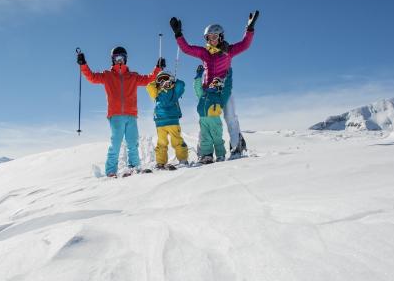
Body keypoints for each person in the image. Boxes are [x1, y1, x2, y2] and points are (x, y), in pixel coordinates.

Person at [169, 11, 259, 158]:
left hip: (224, 90)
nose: (212, 40)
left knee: (230, 116)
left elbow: (245, 44)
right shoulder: (205, 53)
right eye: (208, 38)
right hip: (208, 92)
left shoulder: (228, 51)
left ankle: (236, 146)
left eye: (214, 37)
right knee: (205, 119)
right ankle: (204, 152)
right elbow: (187, 49)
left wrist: (249, 29)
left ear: (221, 36)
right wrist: (179, 34)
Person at [77, 46, 162, 177]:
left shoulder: (133, 76)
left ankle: (134, 166)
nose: (119, 61)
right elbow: (92, 77)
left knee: (133, 143)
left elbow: (148, 79)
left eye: (122, 58)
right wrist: (83, 65)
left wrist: (158, 68)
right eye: (117, 58)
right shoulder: (107, 75)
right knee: (115, 143)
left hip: (131, 115)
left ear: (126, 59)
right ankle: (111, 170)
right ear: (112, 60)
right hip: (115, 115)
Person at [145, 69, 189, 170]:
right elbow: (149, 87)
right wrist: (157, 82)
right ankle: (160, 163)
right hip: (160, 122)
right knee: (161, 143)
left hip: (173, 120)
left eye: (165, 79)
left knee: (177, 141)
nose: (163, 82)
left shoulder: (174, 91)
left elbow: (181, 85)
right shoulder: (157, 93)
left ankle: (183, 159)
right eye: (160, 80)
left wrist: (174, 81)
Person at [193, 66, 231, 164]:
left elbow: (227, 89)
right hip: (203, 119)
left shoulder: (220, 96)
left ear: (220, 86)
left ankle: (220, 155)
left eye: (216, 82)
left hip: (214, 119)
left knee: (217, 137)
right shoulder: (203, 94)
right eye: (212, 82)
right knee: (205, 138)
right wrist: (198, 75)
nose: (213, 84)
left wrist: (228, 77)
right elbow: (197, 87)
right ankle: (207, 155)